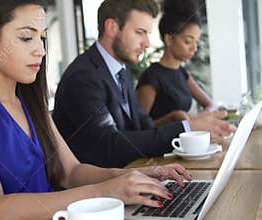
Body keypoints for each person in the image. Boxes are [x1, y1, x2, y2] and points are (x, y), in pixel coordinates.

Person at [0, 0, 194, 219]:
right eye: (26, 37)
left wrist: (133, 176)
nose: (41, 50)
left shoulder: (30, 102)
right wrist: (107, 191)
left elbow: (71, 172)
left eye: (43, 37)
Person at [53, 0, 235, 168]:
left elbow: (144, 126)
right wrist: (186, 127)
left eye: (147, 34)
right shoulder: (83, 77)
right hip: (96, 194)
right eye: (140, 32)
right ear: (112, 27)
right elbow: (108, 145)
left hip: (129, 173)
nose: (147, 43)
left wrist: (193, 130)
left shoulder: (121, 70)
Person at [136, 0, 217, 127]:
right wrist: (172, 118)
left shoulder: (182, 73)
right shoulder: (152, 78)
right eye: (188, 41)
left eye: (196, 42)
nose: (194, 49)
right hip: (161, 146)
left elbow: (211, 105)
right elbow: (138, 128)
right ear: (169, 39)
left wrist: (190, 121)